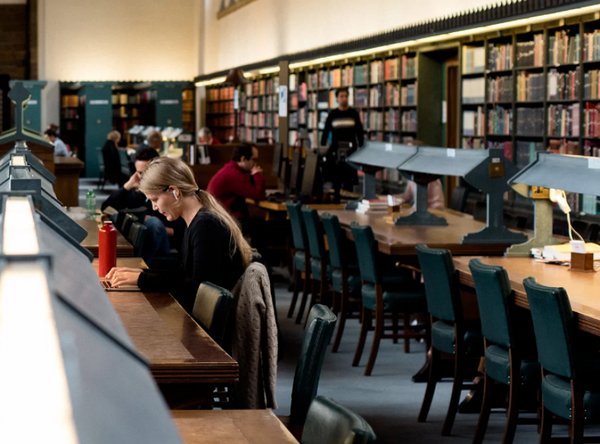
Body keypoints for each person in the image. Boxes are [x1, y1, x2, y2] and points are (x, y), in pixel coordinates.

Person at [106, 157, 252, 314]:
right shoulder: (197, 220)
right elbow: (186, 273)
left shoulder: (205, 225)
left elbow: (197, 289)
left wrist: (143, 279)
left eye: (155, 199)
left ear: (174, 191)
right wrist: (143, 273)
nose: (154, 207)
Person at [101, 147, 185, 264]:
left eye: (146, 173)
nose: (143, 177)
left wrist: (146, 227)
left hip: (163, 242)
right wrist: (128, 185)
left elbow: (181, 232)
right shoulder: (136, 190)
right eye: (140, 173)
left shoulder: (170, 193)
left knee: (153, 223)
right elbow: (105, 208)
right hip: (137, 241)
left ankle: (139, 266)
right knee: (117, 217)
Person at [320, 87, 365, 201]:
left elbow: (359, 133)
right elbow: (325, 133)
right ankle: (336, 201)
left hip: (351, 152)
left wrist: (362, 150)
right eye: (341, 96)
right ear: (336, 99)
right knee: (336, 181)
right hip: (336, 152)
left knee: (349, 182)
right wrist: (322, 148)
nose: (344, 99)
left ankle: (349, 204)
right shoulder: (333, 114)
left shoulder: (353, 114)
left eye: (346, 96)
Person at [207, 144, 265, 220]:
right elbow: (258, 195)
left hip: (220, 217)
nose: (256, 164)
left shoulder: (231, 169)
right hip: (223, 221)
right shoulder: (234, 174)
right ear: (243, 159)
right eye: (254, 160)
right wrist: (257, 174)